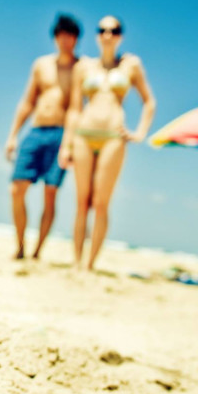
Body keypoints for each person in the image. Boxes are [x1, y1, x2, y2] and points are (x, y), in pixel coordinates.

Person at [59, 16, 155, 270]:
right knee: (82, 202)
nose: (108, 35)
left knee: (101, 203)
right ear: (97, 35)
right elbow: (74, 109)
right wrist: (66, 145)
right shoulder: (84, 67)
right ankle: (77, 262)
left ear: (121, 35)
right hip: (83, 134)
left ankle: (90, 264)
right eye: (102, 30)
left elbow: (149, 102)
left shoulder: (131, 65)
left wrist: (140, 132)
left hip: (114, 136)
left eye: (114, 30)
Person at [5, 13, 80, 260]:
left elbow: (76, 110)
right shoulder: (42, 65)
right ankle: (20, 245)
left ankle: (38, 250)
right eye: (61, 35)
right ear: (55, 37)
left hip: (62, 135)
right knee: (17, 189)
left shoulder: (81, 69)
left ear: (76, 39)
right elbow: (28, 101)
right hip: (36, 131)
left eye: (70, 36)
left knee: (50, 192)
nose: (65, 40)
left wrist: (69, 144)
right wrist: (13, 135)